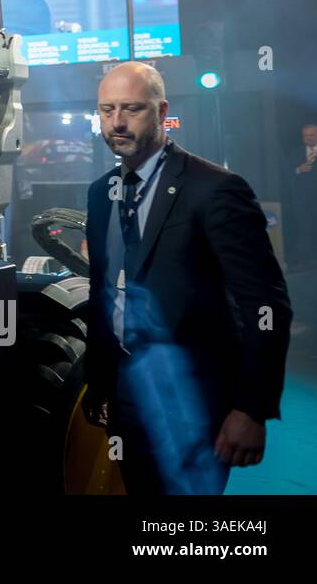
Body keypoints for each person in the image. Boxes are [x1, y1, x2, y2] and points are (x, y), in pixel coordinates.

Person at [81, 62, 292, 494]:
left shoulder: (215, 189)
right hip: (126, 396)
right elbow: (103, 292)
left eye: (132, 109)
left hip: (196, 399)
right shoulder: (101, 192)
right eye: (107, 110)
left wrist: (252, 409)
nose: (117, 122)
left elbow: (266, 304)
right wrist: (101, 382)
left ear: (162, 112)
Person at [286, 123, 317, 269]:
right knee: (305, 227)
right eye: (306, 136)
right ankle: (307, 259)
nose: (309, 138)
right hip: (302, 198)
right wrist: (298, 169)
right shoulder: (295, 152)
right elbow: (285, 174)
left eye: (312, 135)